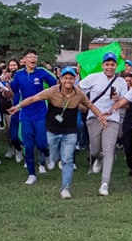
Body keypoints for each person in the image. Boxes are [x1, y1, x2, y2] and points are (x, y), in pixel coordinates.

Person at [11, 67, 107, 198]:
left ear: (74, 79)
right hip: (52, 130)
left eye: (71, 78)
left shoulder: (79, 93)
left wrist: (101, 116)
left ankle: (65, 188)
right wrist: (18, 106)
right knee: (51, 153)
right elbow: (34, 98)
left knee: (67, 159)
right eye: (65, 78)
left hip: (70, 131)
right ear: (61, 79)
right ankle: (51, 158)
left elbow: (90, 105)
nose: (68, 80)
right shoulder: (52, 91)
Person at [78, 52, 127, 196]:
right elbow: (78, 89)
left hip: (112, 118)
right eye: (107, 64)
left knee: (109, 150)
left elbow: (126, 104)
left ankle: (104, 184)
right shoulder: (93, 78)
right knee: (94, 150)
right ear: (103, 65)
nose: (110, 67)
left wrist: (118, 100)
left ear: (116, 66)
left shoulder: (121, 82)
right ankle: (98, 158)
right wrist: (84, 104)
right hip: (94, 117)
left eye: (112, 64)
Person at [9, 50, 58, 182]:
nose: (32, 59)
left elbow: (56, 84)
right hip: (25, 114)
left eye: (34, 57)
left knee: (42, 143)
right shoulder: (18, 75)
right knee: (28, 145)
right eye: (29, 57)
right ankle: (31, 174)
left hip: (41, 112)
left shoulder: (42, 72)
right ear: (24, 60)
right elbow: (13, 90)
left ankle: (47, 154)